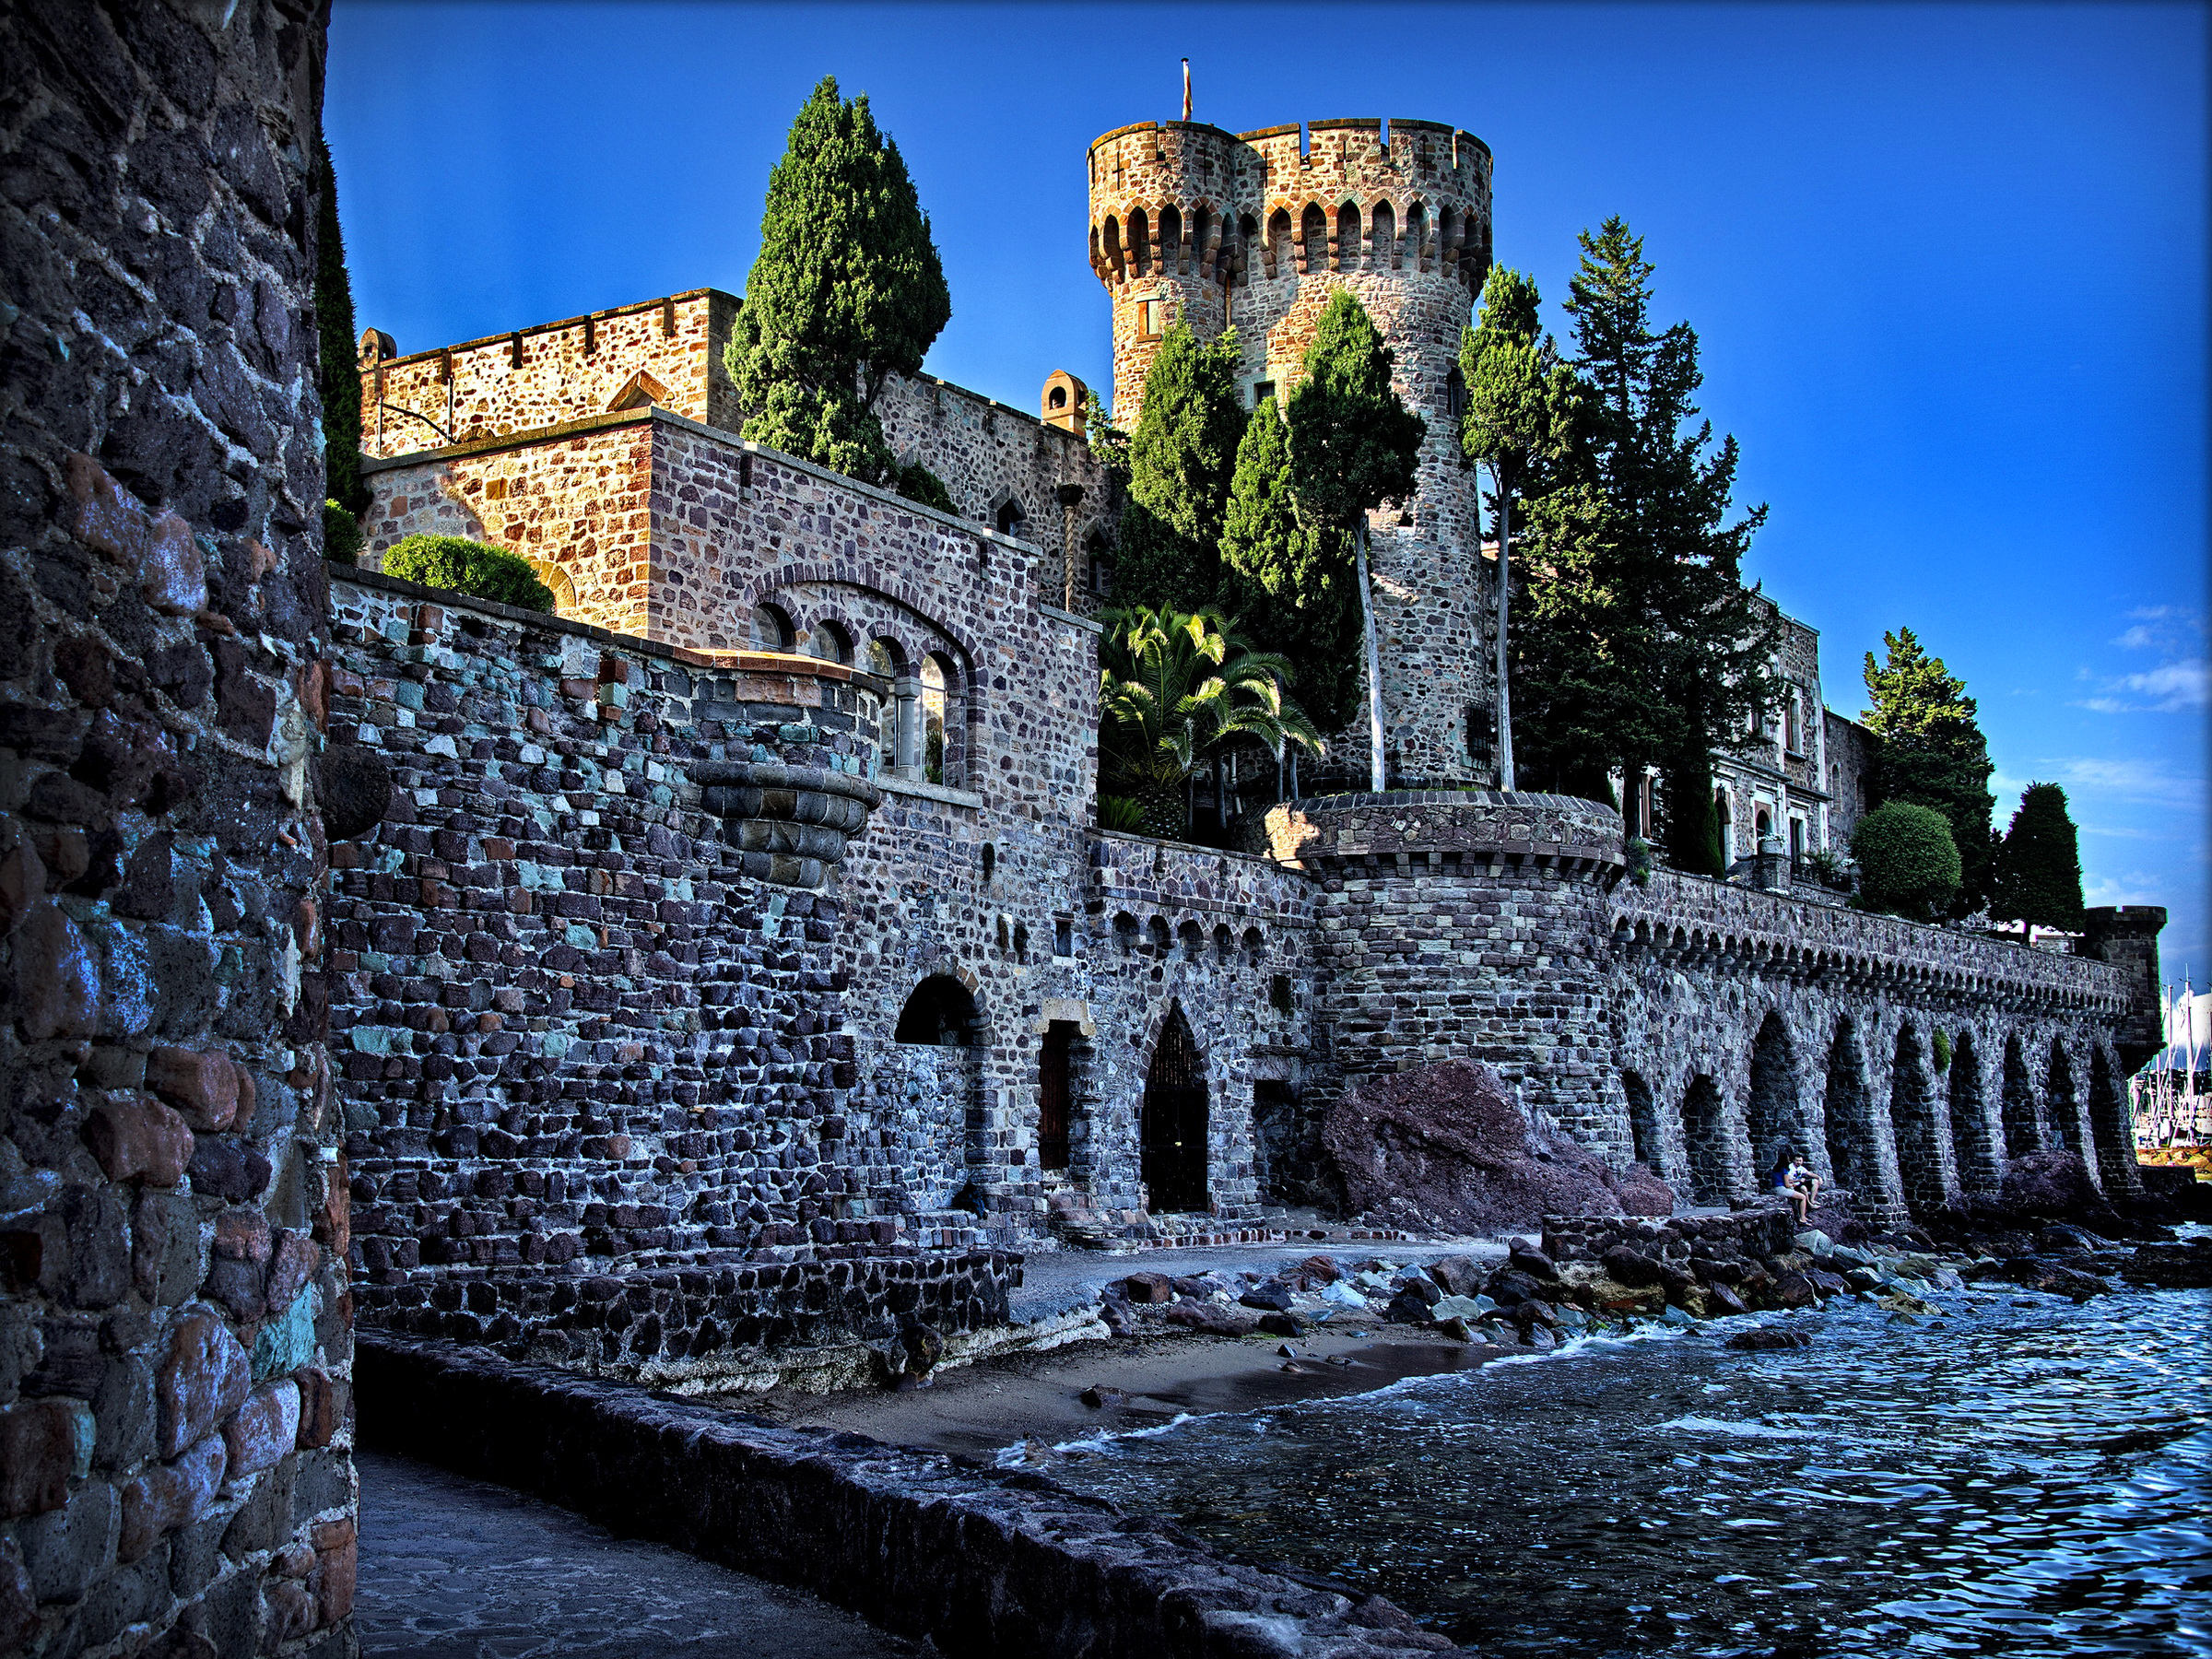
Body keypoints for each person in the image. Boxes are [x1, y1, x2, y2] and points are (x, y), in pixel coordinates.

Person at [1770, 1148, 1811, 1224]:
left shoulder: (1776, 1167)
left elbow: (1786, 1180)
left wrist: (1795, 1181)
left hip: (1775, 1188)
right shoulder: (1784, 1169)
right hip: (1780, 1189)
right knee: (1803, 1197)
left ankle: (1802, 1217)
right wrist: (1793, 1185)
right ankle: (1802, 1218)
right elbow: (1787, 1184)